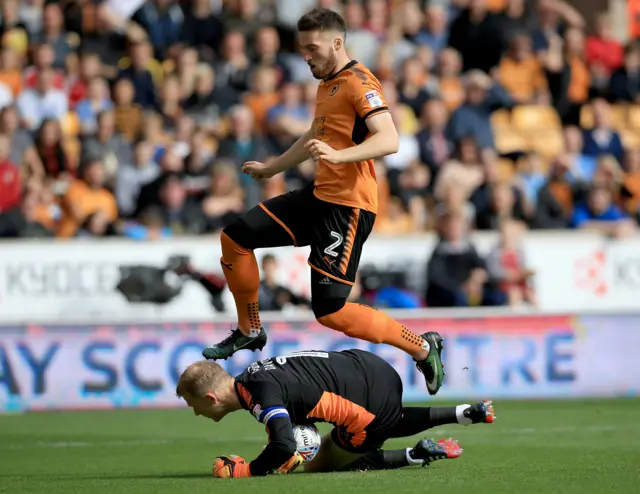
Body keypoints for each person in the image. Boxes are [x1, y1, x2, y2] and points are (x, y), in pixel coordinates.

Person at [201, 7, 445, 396]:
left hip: (348, 208)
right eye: (302, 48)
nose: (306, 55)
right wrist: (274, 168)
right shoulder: (325, 84)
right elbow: (315, 133)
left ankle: (421, 346)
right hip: (319, 197)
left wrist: (338, 156)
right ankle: (250, 330)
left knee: (330, 311)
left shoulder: (359, 81)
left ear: (337, 42)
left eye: (312, 47)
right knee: (236, 238)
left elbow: (389, 139)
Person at [177, 349, 495, 478]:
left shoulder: (256, 394)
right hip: (375, 368)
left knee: (320, 463)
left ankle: (413, 454)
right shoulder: (257, 371)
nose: (195, 413)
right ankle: (464, 412)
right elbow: (304, 394)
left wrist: (251, 470)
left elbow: (284, 445)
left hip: (368, 405)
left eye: (194, 406)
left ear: (210, 397)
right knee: (383, 417)